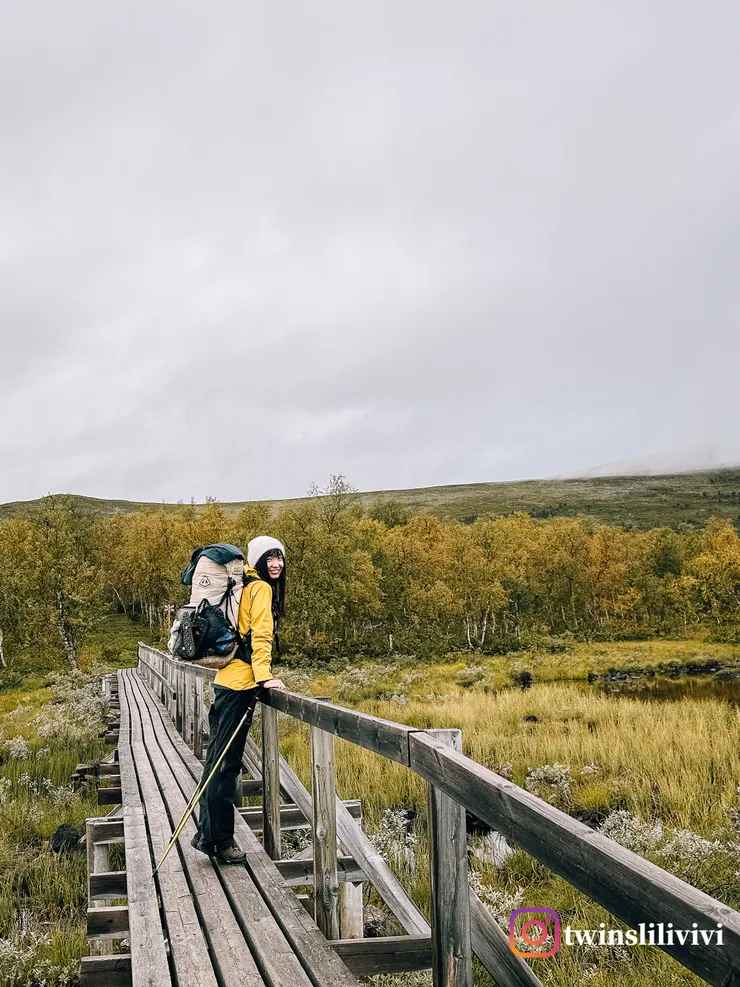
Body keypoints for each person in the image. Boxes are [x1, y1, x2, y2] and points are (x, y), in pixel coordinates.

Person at [191, 535, 287, 863]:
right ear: (258, 559)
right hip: (241, 685)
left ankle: (210, 835)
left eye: (280, 558)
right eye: (270, 557)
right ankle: (218, 840)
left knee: (217, 761)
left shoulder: (242, 583)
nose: (276, 563)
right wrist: (264, 677)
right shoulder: (259, 589)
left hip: (225, 681)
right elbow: (260, 636)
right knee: (225, 765)